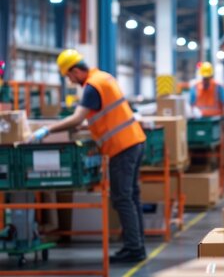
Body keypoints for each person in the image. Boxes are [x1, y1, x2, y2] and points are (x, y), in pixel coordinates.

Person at [29, 49, 147, 263]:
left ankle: (134, 248)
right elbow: (103, 115)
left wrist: (47, 130)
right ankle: (137, 245)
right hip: (134, 141)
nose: (70, 81)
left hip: (121, 147)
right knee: (131, 197)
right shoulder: (103, 77)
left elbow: (76, 118)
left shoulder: (91, 87)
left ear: (75, 70)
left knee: (122, 198)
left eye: (69, 76)